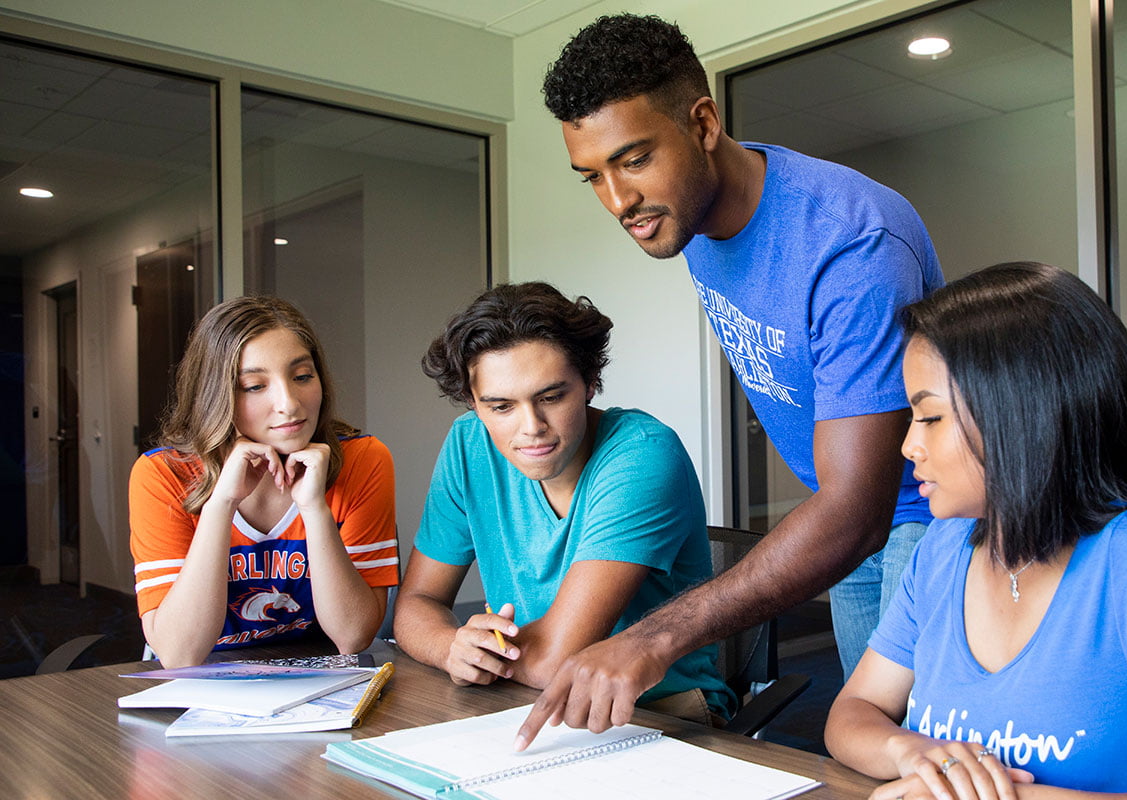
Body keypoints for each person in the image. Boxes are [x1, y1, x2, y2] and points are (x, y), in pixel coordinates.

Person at [522, 13, 943, 744]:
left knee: (928, 754)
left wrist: (655, 638)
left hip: (934, 522)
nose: (618, 201)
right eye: (593, 175)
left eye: (633, 159)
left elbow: (859, 509)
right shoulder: (691, 223)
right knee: (880, 751)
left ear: (704, 123)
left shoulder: (852, 242)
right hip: (846, 514)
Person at [825, 262, 1127, 798]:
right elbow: (854, 712)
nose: (908, 446)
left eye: (932, 418)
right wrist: (914, 753)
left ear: (1021, 413)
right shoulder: (944, 547)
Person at [392, 282, 733, 724]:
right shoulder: (467, 444)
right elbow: (416, 602)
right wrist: (452, 648)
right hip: (520, 700)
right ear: (473, 403)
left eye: (551, 397)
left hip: (659, 712)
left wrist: (484, 655)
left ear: (590, 382)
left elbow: (555, 658)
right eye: (500, 407)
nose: (531, 426)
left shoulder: (643, 454)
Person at [130, 296, 398, 667]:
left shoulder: (363, 460)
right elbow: (180, 653)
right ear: (215, 396)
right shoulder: (163, 475)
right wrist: (221, 503)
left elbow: (353, 636)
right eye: (255, 386)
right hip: (205, 676)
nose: (289, 403)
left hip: (312, 673)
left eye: (302, 377)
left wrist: (313, 508)